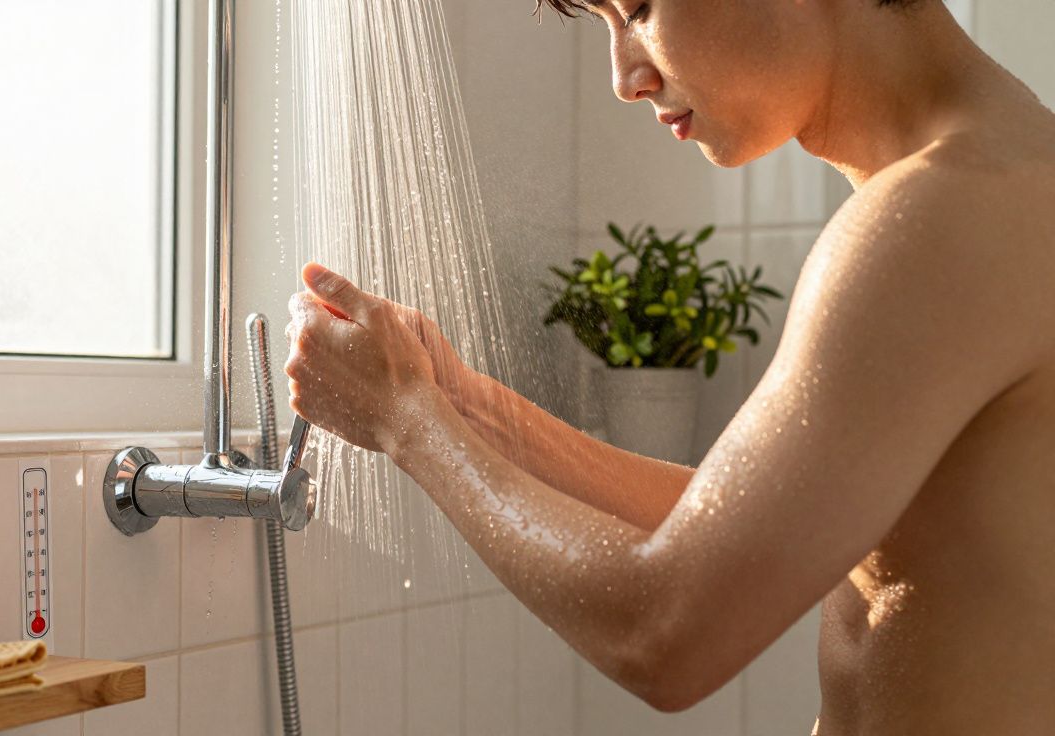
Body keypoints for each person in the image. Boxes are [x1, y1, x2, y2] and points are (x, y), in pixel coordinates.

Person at [284, 1, 1055, 732]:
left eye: (642, 9)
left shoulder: (939, 215)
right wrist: (468, 407)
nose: (625, 78)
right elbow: (739, 537)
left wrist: (408, 422)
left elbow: (666, 630)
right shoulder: (990, 187)